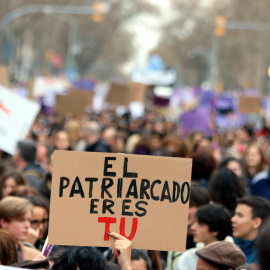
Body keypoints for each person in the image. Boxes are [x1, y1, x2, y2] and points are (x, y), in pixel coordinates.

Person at [175, 204, 232, 270]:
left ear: (215, 230)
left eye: (199, 224)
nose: (192, 227)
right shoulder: (188, 257)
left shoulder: (235, 257)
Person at [167, 184, 210, 270]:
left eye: (189, 206)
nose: (183, 210)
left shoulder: (208, 239)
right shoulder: (172, 236)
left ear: (202, 208)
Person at [231, 196, 270, 263]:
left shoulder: (264, 256)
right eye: (235, 214)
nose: (233, 219)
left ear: (256, 222)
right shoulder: (228, 246)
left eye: (240, 215)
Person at [0, 196, 40, 261]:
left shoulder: (35, 254)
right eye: (21, 220)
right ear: (4, 222)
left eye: (29, 220)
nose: (28, 225)